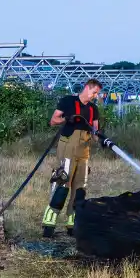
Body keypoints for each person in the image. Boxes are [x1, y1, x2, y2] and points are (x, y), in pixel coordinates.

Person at [42, 78, 111, 237]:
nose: (95, 96)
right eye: (94, 92)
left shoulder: (93, 109)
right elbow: (53, 121)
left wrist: (102, 139)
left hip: (84, 149)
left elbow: (95, 131)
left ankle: (73, 223)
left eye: (97, 94)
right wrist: (67, 119)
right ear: (87, 88)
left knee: (80, 187)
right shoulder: (68, 101)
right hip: (68, 146)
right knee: (63, 182)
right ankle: (49, 223)